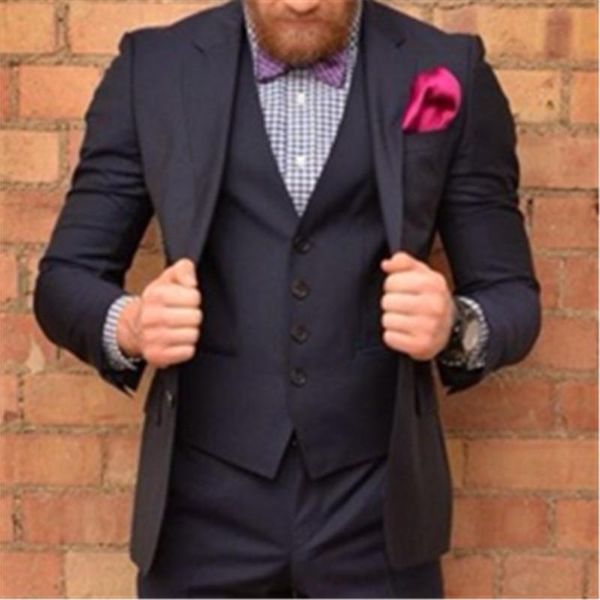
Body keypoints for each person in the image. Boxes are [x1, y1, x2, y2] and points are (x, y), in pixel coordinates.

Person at [33, 0, 541, 597]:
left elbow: (511, 293)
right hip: (201, 508)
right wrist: (130, 325)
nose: (301, 3)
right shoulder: (155, 68)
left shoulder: (446, 71)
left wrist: (456, 326)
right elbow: (65, 279)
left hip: (379, 508)